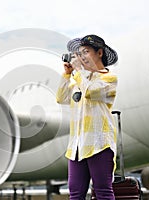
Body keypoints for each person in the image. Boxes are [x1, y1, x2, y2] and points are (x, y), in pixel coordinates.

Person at [56, 34, 118, 200]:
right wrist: (67, 74)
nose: (81, 56)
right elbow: (61, 98)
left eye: (86, 52)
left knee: (103, 192)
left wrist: (79, 71)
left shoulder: (109, 78)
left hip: (99, 144)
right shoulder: (79, 79)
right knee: (75, 194)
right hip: (77, 146)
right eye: (80, 53)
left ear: (99, 53)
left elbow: (91, 91)